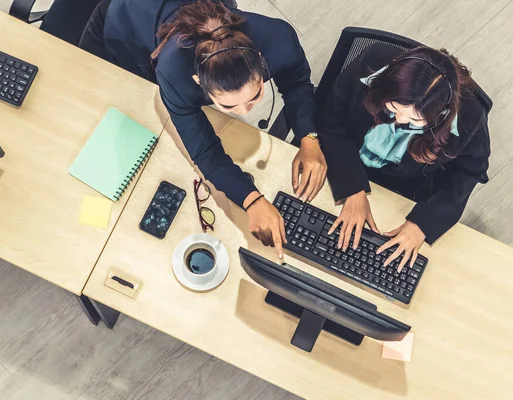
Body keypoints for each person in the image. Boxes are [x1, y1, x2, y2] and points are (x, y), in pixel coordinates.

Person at [79, 0, 327, 259]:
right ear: (198, 82)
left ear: (261, 61)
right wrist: (250, 200)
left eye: (255, 97)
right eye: (228, 105)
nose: (245, 112)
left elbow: (297, 82)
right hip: (128, 22)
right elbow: (204, 149)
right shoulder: (175, 72)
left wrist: (309, 138)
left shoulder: (280, 40)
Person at [317, 43, 490, 270]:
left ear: (443, 115)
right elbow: (329, 118)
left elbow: (470, 172)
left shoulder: (470, 118)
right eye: (394, 106)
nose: (398, 120)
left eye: (415, 120)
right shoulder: (372, 62)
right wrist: (352, 187)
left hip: (402, 189)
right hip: (342, 158)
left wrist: (423, 223)